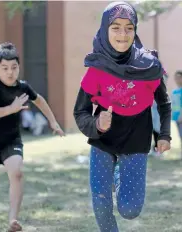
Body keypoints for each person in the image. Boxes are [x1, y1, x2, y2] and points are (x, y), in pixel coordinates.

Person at [73, 2, 171, 232]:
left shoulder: (149, 66)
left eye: (129, 27)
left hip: (136, 140)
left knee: (130, 209)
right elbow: (80, 111)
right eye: (115, 27)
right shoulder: (96, 68)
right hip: (103, 140)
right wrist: (96, 124)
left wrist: (164, 134)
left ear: (135, 30)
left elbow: (164, 103)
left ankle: (119, 173)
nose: (122, 34)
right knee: (101, 202)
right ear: (105, 29)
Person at [0, 42, 65, 232]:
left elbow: (39, 100)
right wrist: (11, 109)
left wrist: (53, 122)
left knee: (16, 173)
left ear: (19, 67)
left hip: (11, 140)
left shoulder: (23, 87)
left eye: (14, 67)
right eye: (5, 68)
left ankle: (13, 220)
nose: (10, 73)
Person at [171, 70, 182, 159]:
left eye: (179, 77)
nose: (177, 79)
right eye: (176, 78)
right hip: (176, 117)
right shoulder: (174, 91)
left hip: (181, 117)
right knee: (180, 136)